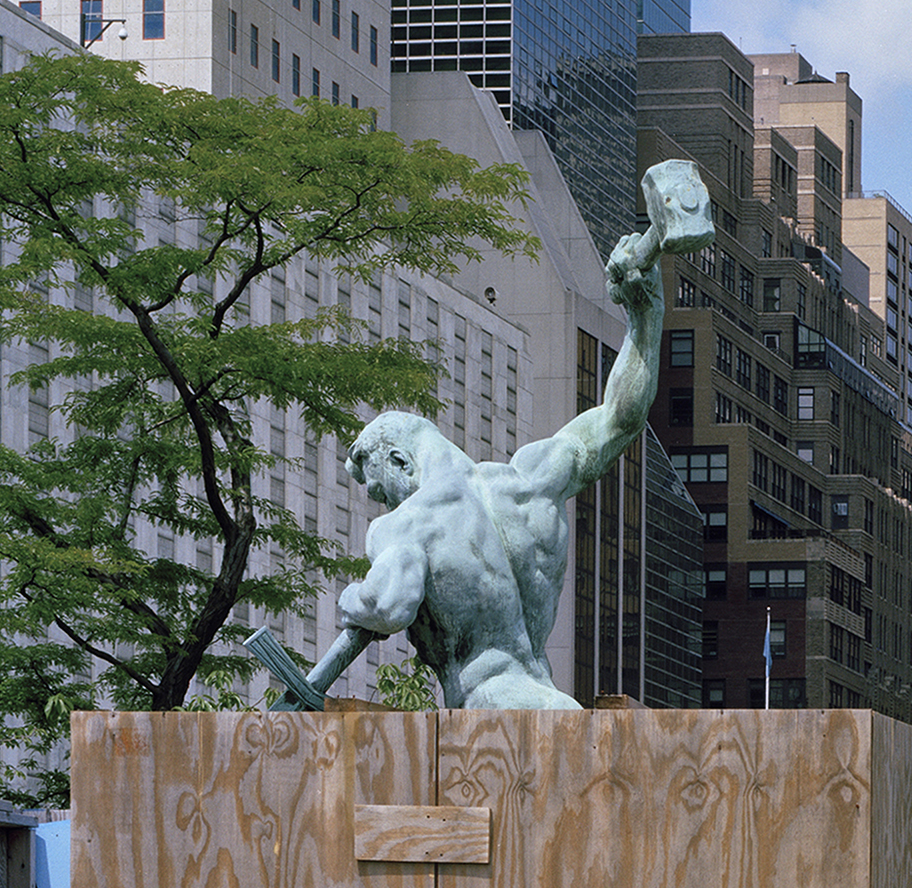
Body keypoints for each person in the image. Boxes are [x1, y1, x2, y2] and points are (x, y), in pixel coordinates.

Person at [286, 159, 714, 710]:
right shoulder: (528, 483)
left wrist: (352, 598)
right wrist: (645, 313)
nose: (381, 502)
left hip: (488, 713)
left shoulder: (405, 526)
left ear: (399, 461)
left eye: (377, 487)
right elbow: (619, 417)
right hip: (548, 700)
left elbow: (386, 606)